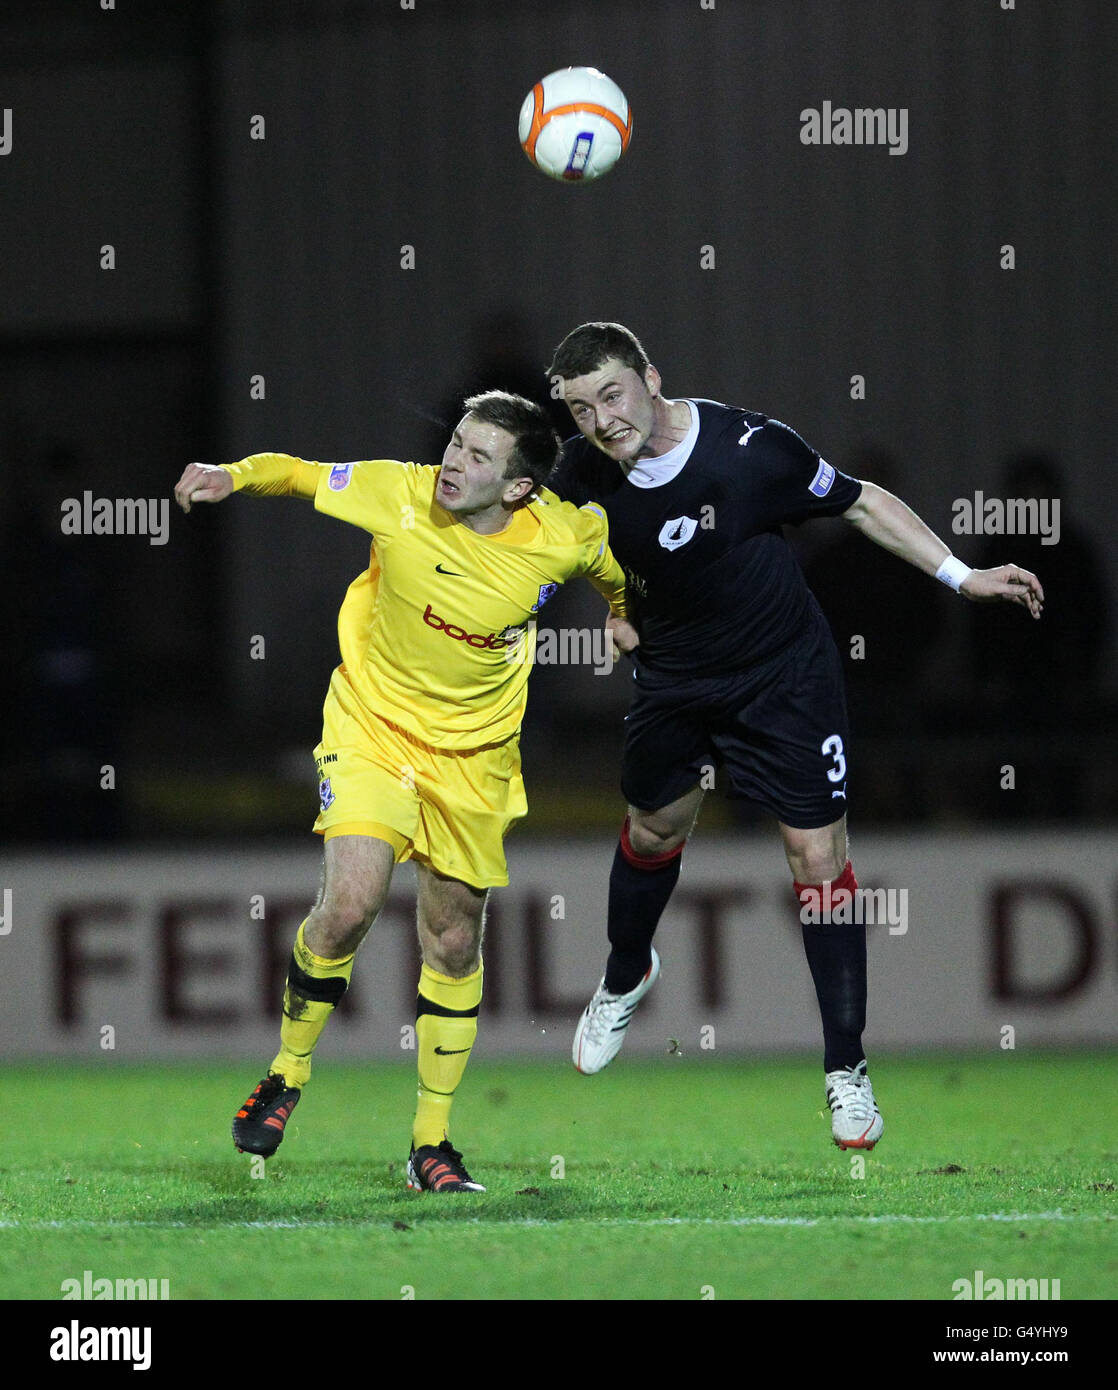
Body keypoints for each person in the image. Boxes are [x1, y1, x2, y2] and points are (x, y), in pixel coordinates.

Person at [546, 322, 1043, 1151]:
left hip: (783, 677)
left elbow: (861, 501)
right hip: (676, 676)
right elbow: (543, 549)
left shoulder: (750, 449)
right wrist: (615, 604)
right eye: (579, 408)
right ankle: (627, 974)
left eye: (611, 394)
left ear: (650, 379)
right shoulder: (580, 469)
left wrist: (963, 576)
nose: (600, 420)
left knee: (817, 861)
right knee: (652, 828)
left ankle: (846, 1072)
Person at [173, 390, 630, 1191]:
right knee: (349, 905)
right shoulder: (401, 492)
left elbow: (619, 573)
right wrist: (232, 474)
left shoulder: (566, 534)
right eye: (457, 442)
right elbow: (298, 474)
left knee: (453, 939)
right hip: (372, 730)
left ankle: (431, 1144)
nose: (455, 461)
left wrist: (625, 615)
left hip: (476, 759)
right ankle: (287, 1073)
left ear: (519, 487)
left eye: (479, 456)